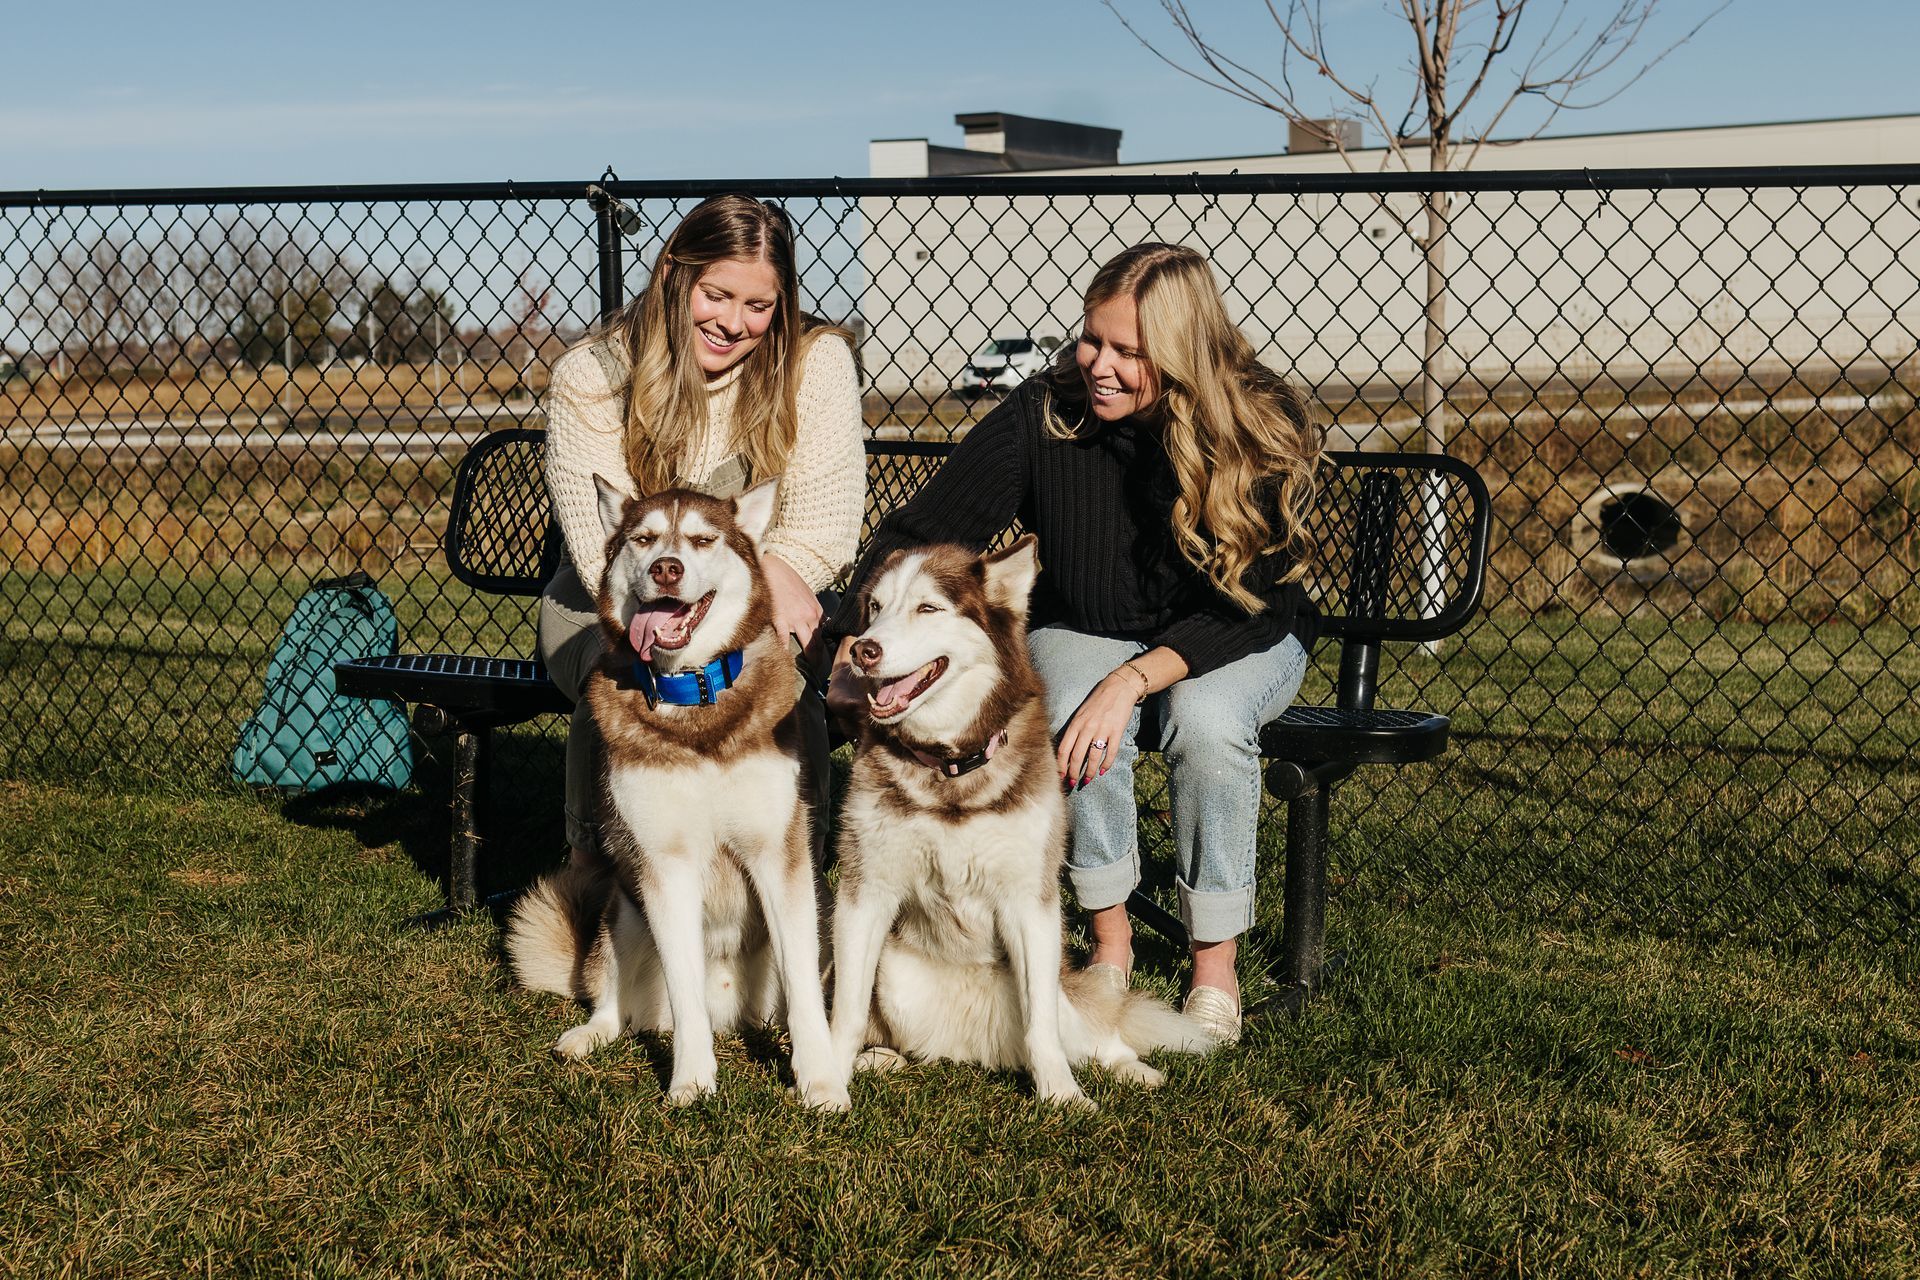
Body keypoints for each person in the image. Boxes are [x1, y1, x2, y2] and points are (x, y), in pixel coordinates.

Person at [825, 242, 1322, 1043]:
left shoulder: (1257, 420)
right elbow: (923, 530)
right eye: (1093, 338)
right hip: (1090, 625)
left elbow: (1254, 601)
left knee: (1206, 724)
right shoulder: (1045, 411)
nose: (1100, 364)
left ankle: (1214, 962)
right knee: (1065, 706)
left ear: (1184, 354)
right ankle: (1109, 942)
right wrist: (857, 632)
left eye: (1131, 352)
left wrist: (1130, 681)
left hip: (1238, 633)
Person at [541, 193, 865, 866]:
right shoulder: (593, 375)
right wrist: (735, 576)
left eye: (759, 305)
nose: (734, 323)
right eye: (716, 295)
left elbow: (826, 525)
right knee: (627, 674)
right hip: (609, 601)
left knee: (782, 684)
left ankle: (792, 883)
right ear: (673, 274)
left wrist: (771, 570)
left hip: (758, 595)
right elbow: (608, 550)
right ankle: (596, 870)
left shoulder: (814, 362)